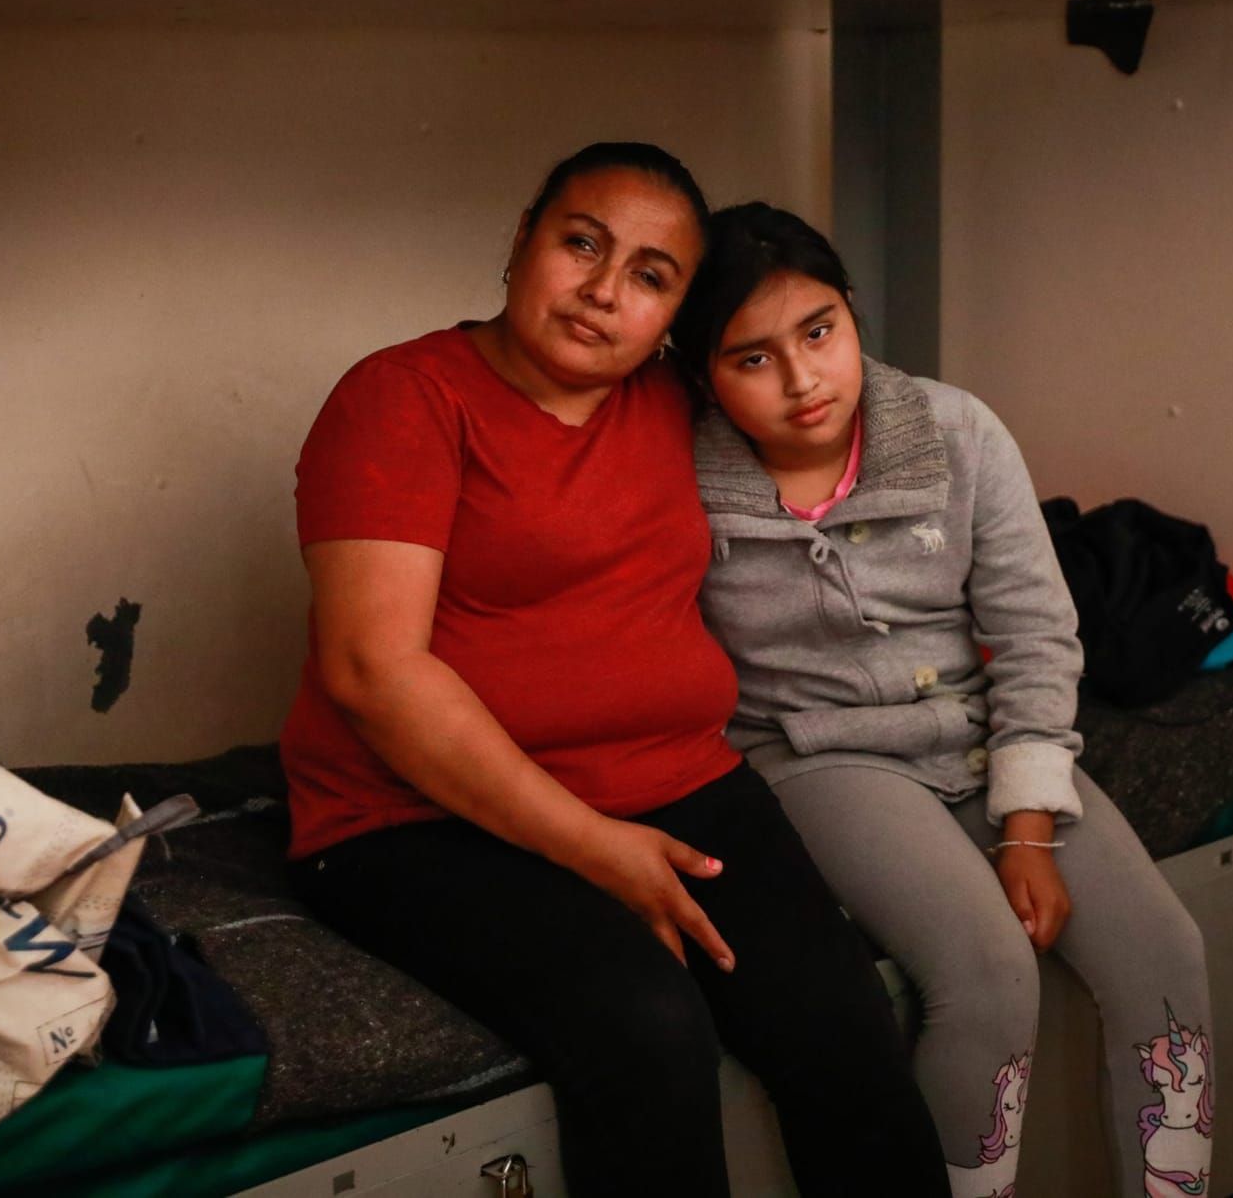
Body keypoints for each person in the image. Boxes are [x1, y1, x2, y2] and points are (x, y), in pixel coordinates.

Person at [281, 145, 949, 1197]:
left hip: (682, 781)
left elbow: (822, 414)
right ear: (520, 241)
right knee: (646, 1027)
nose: (602, 292)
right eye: (580, 243)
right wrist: (596, 847)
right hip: (413, 822)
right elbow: (372, 671)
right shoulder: (401, 400)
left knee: (836, 1019)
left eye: (649, 275)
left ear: (673, 316)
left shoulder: (670, 400)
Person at [669, 202, 1215, 1198]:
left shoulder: (953, 430)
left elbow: (1037, 631)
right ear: (697, 369)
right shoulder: (671, 476)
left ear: (850, 316)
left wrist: (1028, 827)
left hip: (973, 732)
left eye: (818, 331)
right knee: (987, 974)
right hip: (812, 754)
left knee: (1163, 947)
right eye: (750, 358)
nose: (800, 380)